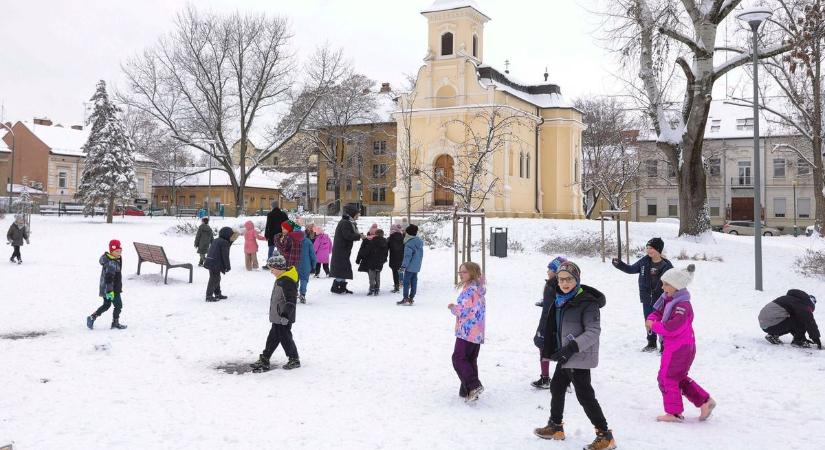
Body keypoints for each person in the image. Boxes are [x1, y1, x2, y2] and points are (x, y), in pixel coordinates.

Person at [534, 261, 616, 450]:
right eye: (561, 279)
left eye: (569, 279)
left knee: (585, 395)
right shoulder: (560, 299)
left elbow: (594, 331)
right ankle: (555, 426)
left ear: (577, 279)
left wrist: (571, 347)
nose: (565, 283)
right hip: (564, 355)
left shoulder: (587, 302)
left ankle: (605, 435)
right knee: (556, 387)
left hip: (578, 355)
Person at [646, 264, 716, 422]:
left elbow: (672, 328)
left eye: (666, 284)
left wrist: (654, 326)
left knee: (666, 378)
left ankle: (673, 412)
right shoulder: (669, 298)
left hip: (679, 349)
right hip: (676, 347)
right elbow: (657, 312)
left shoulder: (682, 305)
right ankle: (704, 401)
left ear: (677, 286)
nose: (662, 287)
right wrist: (651, 318)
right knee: (677, 377)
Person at [611, 237, 673, 352]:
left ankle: (664, 344)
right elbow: (631, 269)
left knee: (662, 321)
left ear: (658, 250)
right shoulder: (644, 261)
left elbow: (671, 283)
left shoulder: (666, 265)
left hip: (661, 299)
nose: (649, 250)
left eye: (652, 248)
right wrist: (619, 264)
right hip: (646, 298)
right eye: (647, 248)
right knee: (648, 320)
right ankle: (651, 342)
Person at [250, 251, 301, 372]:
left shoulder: (287, 280)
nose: (271, 271)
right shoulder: (281, 278)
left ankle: (294, 359)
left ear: (279, 268)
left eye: (272, 269)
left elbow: (291, 301)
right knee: (273, 338)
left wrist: (285, 315)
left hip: (283, 317)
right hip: (279, 317)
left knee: (285, 338)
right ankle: (265, 358)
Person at [449, 261, 486, 402]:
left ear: (472, 273)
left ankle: (473, 385)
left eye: (464, 272)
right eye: (460, 271)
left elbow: (466, 311)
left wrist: (453, 308)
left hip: (467, 330)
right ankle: (468, 390)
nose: (460, 274)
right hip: (476, 331)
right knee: (469, 360)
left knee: (458, 358)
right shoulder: (478, 288)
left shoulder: (470, 290)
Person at [531, 256, 567, 389]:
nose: (548, 271)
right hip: (547, 320)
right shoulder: (552, 284)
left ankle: (560, 379)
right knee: (546, 347)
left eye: (550, 269)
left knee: (550, 348)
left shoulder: (557, 285)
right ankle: (548, 378)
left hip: (550, 323)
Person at [86, 240, 127, 330]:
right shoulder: (111, 262)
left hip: (106, 288)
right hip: (112, 289)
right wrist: (110, 291)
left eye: (120, 251)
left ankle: (92, 317)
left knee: (106, 305)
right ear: (111, 252)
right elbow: (109, 278)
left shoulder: (113, 259)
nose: (119, 253)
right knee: (118, 305)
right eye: (116, 251)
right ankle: (115, 323)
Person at [330, 203, 362, 294]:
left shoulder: (347, 222)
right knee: (341, 269)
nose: (358, 215)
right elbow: (347, 235)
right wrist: (359, 236)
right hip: (341, 250)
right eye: (357, 214)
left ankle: (342, 287)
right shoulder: (345, 223)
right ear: (352, 213)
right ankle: (336, 288)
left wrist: (359, 235)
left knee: (343, 269)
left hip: (343, 250)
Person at [204, 227, 233, 302]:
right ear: (227, 235)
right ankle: (209, 296)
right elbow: (225, 256)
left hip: (210, 261)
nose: (231, 237)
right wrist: (227, 266)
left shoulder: (217, 240)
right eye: (231, 235)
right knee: (214, 279)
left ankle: (217, 294)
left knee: (216, 278)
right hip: (215, 263)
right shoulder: (224, 243)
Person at [397, 224, 423, 306]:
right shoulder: (419, 241)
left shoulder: (409, 243)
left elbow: (407, 256)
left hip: (409, 267)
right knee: (414, 281)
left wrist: (403, 266)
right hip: (416, 266)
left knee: (406, 282)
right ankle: (411, 298)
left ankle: (405, 298)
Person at [357, 229, 389, 296]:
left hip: (371, 261)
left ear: (376, 234)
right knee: (377, 275)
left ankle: (372, 289)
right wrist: (384, 260)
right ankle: (377, 288)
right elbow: (386, 253)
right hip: (380, 262)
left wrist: (362, 257)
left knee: (371, 276)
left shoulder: (372, 241)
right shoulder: (385, 242)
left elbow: (367, 251)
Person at [296, 227, 317, 304]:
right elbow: (313, 255)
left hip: (294, 264)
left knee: (294, 279)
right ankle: (302, 294)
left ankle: (294, 293)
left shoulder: (292, 240)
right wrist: (313, 265)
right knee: (304, 280)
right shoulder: (308, 242)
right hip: (306, 265)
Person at [388, 223, 405, 293]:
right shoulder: (402, 237)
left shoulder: (391, 237)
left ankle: (396, 286)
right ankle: (403, 284)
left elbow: (387, 247)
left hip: (393, 257)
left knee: (395, 272)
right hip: (401, 256)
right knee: (401, 270)